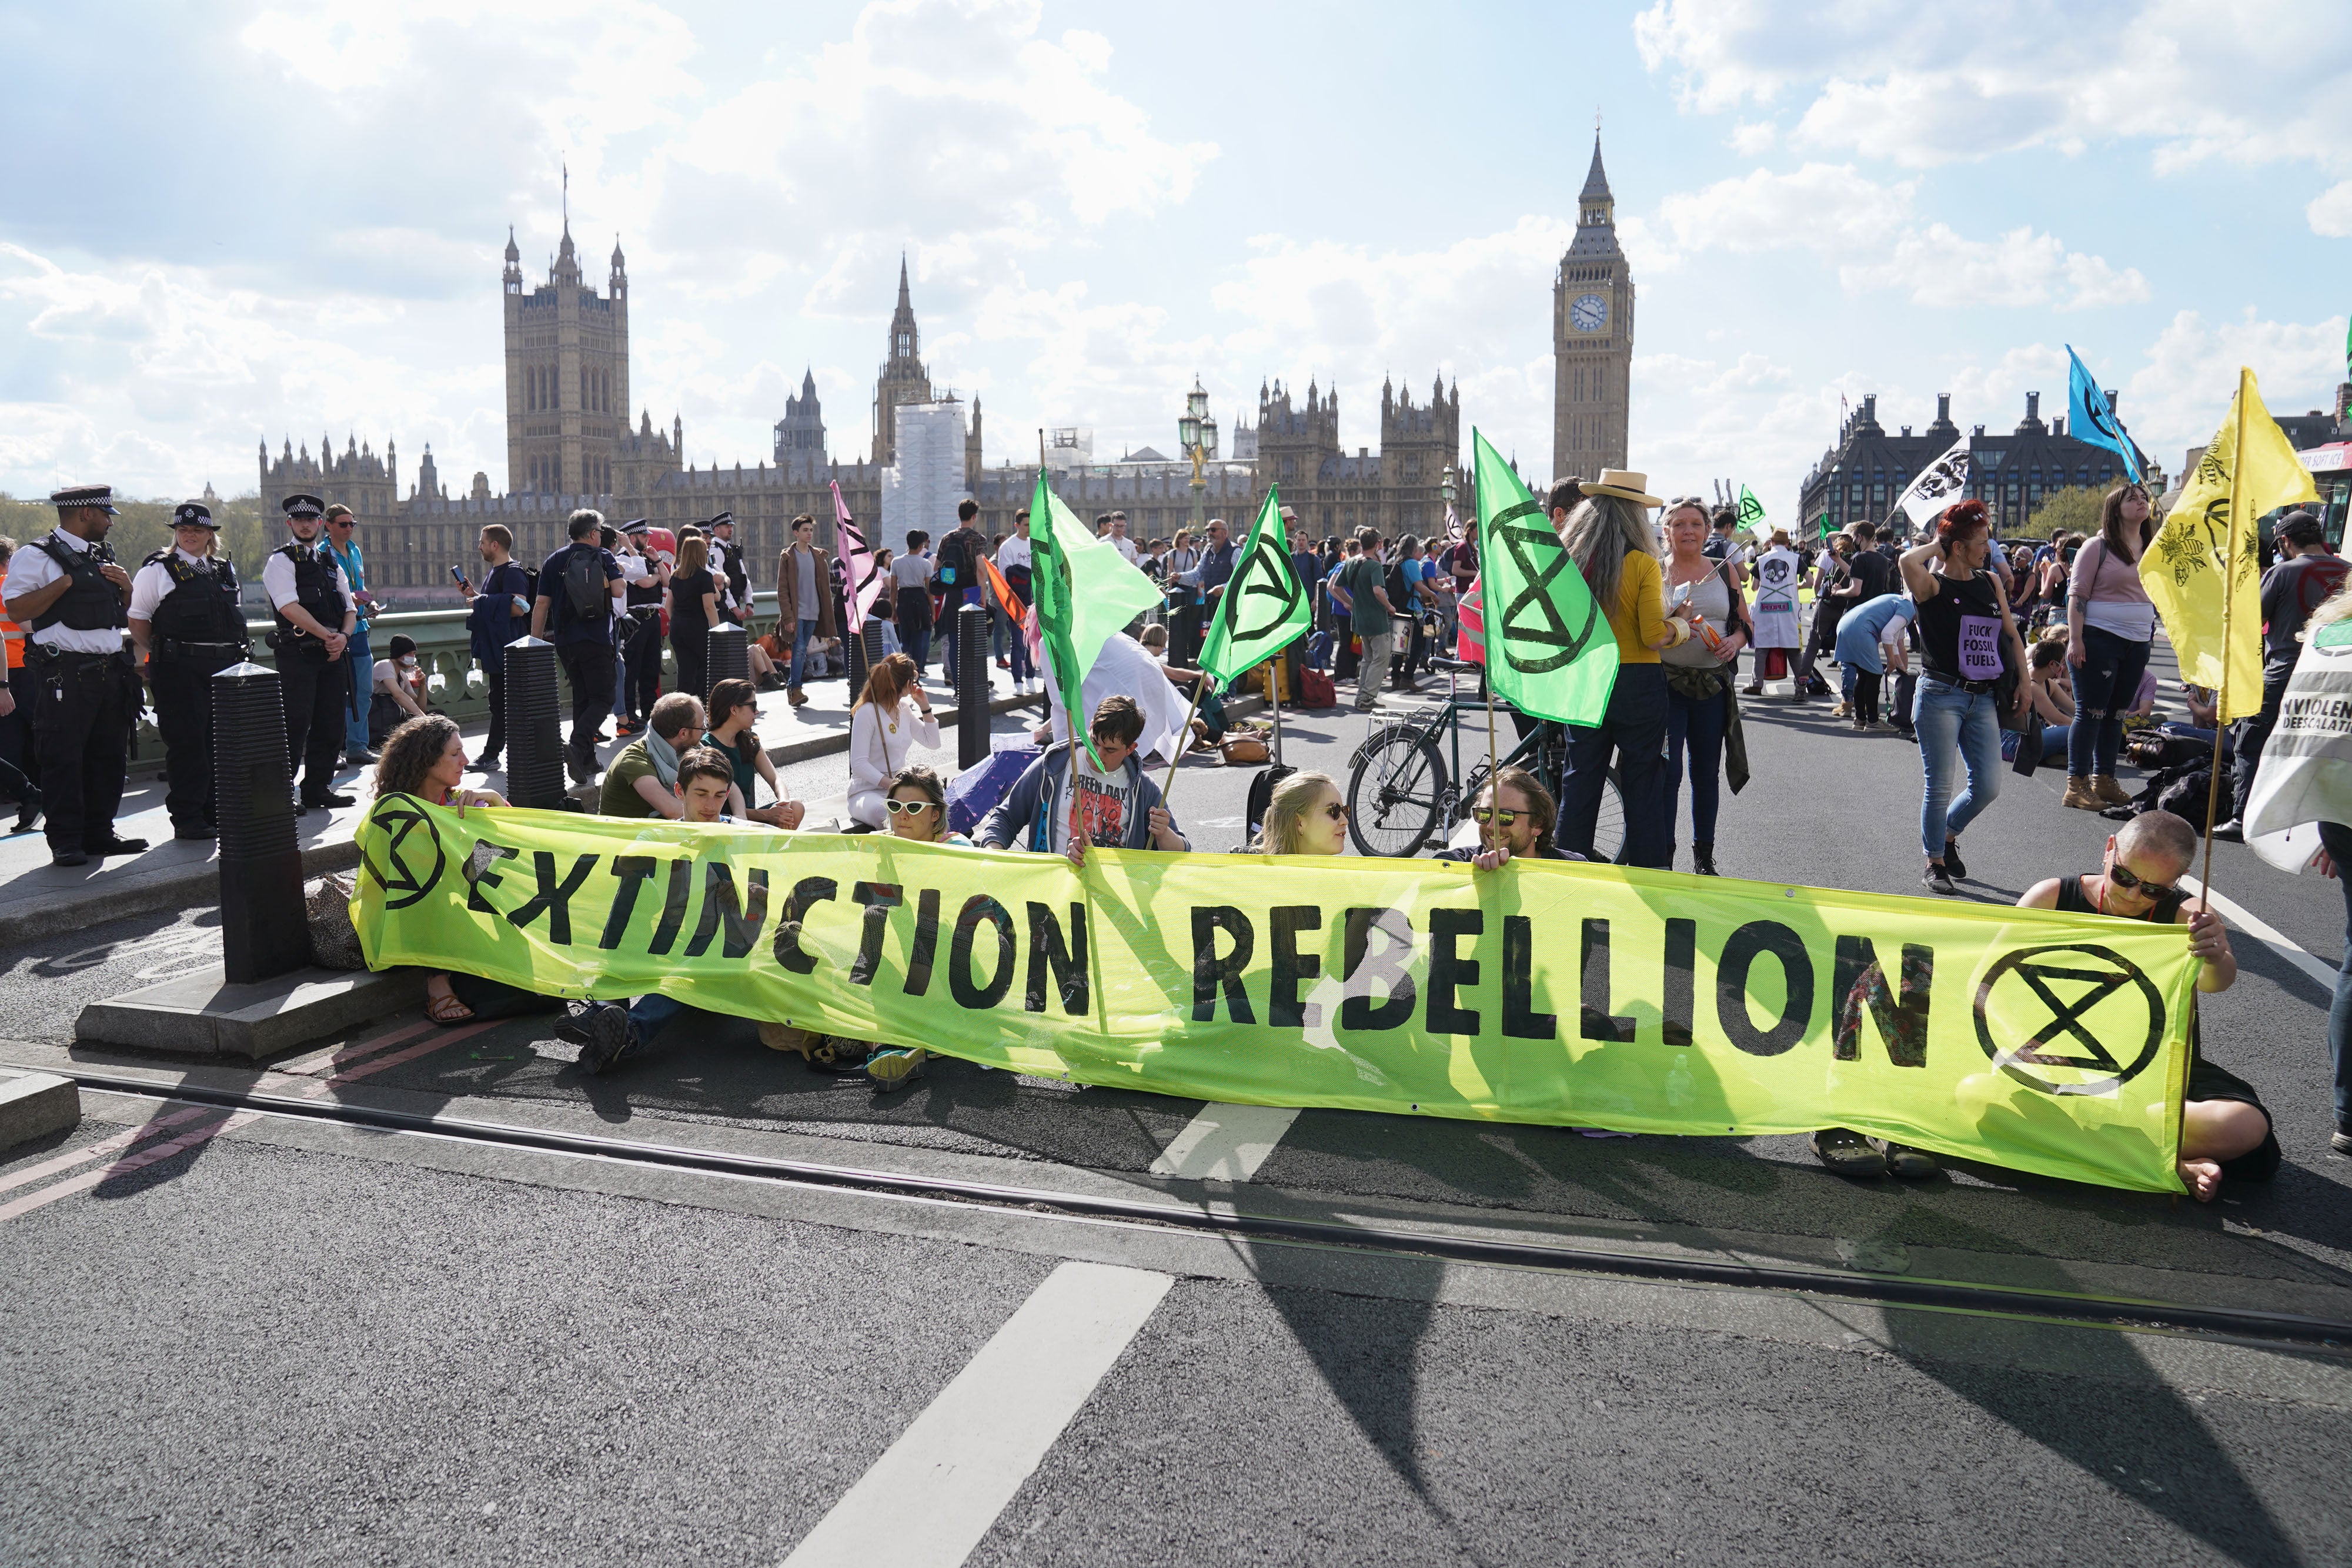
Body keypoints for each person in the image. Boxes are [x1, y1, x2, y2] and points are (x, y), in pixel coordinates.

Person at [2010, 811, 2273, 1201]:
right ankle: (2162, 1162)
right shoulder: (2050, 898)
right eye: (2125, 877)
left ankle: (2087, 1143)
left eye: (2155, 891)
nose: (2133, 896)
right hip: (2055, 1059)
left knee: (2245, 1125)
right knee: (1972, 1095)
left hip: (2159, 1069)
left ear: (2177, 882)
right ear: (2110, 848)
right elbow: (1988, 980)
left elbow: (2217, 982)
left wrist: (2215, 954)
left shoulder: (2188, 917)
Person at [575, 745, 785, 1073]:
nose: (710, 805)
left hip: (727, 954)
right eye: (701, 794)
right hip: (675, 943)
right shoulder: (658, 835)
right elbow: (625, 883)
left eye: (719, 796)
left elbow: (799, 860)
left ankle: (624, 1031)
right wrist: (669, 851)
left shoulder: (744, 836)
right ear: (679, 791)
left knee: (700, 959)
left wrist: (751, 896)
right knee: (634, 888)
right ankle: (607, 1001)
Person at [368, 714, 543, 1028]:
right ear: (426, 761)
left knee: (505, 878)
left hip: (459, 903)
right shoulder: (394, 810)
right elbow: (407, 882)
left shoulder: (458, 802)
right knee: (440, 893)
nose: (465, 760)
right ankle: (438, 985)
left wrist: (496, 804)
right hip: (406, 913)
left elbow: (519, 852)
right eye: (454, 754)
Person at [2, 484, 143, 865]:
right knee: (64, 758)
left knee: (108, 757)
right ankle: (66, 840)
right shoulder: (37, 555)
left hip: (110, 672)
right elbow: (15, 609)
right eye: (104, 515)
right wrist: (65, 582)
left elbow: (117, 613)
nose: (109, 522)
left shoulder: (101, 554)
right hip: (65, 673)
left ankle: (100, 833)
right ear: (85, 513)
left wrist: (127, 588)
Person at [1555, 471, 1687, 869]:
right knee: (1643, 785)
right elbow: (1651, 635)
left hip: (1586, 679)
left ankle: (1568, 869)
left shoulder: (1571, 563)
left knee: (1579, 782)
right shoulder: (1643, 564)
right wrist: (1679, 625)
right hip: (1637, 683)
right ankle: (1649, 876)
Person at [1900, 499, 2028, 894]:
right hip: (1940, 694)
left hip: (1983, 697)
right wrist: (1940, 544)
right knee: (1939, 783)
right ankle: (1934, 860)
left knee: (1988, 784)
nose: (1988, 548)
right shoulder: (1933, 586)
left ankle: (1948, 833)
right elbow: (1907, 562)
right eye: (1980, 542)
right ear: (1958, 547)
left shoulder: (1989, 582)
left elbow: (2011, 634)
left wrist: (2025, 681)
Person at [2216, 509, 2347, 840]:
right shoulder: (2349, 571)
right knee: (2322, 750)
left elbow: (2250, 624)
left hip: (2285, 672)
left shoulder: (2283, 572)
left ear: (2285, 541)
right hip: (2336, 675)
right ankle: (2319, 823)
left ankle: (2243, 818)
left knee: (2251, 742)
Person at [128, 500, 249, 842]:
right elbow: (138, 620)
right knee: (187, 745)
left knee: (219, 743)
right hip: (179, 670)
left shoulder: (223, 570)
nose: (190, 535)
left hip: (223, 669)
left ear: (210, 534)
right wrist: (163, 653)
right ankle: (188, 817)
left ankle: (214, 812)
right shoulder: (158, 570)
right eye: (183, 529)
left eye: (197, 530)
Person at [860, 764, 977, 1089]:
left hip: (947, 960)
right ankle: (888, 1051)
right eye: (895, 807)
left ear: (936, 815)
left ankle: (906, 1039)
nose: (903, 816)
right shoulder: (882, 846)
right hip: (902, 957)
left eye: (914, 808)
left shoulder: (957, 847)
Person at [977, 694, 1188, 862]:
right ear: (1090, 727)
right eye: (1094, 741)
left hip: (1114, 900)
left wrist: (1163, 833)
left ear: (1130, 749)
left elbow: (1182, 851)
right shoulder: (1054, 767)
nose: (1097, 752)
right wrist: (992, 856)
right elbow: (1006, 818)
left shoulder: (1144, 789)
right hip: (1054, 892)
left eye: (1109, 749)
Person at [1659, 497, 1749, 875]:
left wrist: (1735, 643)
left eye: (1695, 524)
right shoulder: (1656, 572)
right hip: (1666, 686)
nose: (1688, 531)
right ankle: (1663, 854)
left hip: (1712, 687)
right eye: (1679, 524)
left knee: (1705, 773)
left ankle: (1703, 858)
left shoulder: (1724, 571)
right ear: (1667, 532)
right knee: (1668, 773)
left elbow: (1745, 625)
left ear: (1707, 530)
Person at [2062, 484, 2159, 813]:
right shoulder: (2097, 547)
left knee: (2116, 714)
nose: (2141, 502)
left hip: (2138, 641)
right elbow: (2077, 596)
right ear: (2115, 509)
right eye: (2132, 499)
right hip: (2099, 638)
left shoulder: (2153, 548)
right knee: (2091, 712)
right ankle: (2076, 784)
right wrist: (2075, 639)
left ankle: (2104, 778)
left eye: (2144, 498)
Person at [262, 492, 360, 815]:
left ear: (320, 523)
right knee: (294, 723)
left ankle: (318, 788)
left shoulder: (332, 562)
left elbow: (349, 608)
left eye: (311, 520)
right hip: (298, 653)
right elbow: (289, 607)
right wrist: (328, 635)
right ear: (290, 523)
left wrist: (343, 637)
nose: (305, 525)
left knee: (331, 724)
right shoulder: (281, 561)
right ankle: (280, 793)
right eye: (299, 520)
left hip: (332, 654)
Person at [529, 507, 625, 786]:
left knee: (583, 697)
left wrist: (535, 642)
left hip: (565, 642)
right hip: (596, 638)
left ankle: (587, 759)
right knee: (604, 698)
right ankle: (577, 745)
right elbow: (619, 591)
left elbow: (541, 605)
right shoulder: (603, 555)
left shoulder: (554, 560)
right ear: (594, 534)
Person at [457, 523, 533, 771]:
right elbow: (495, 605)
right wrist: (474, 595)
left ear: (495, 545)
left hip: (510, 649)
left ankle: (492, 754)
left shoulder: (513, 572)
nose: (479, 547)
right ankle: (515, 753)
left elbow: (518, 608)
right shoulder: (494, 572)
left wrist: (481, 601)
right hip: (496, 648)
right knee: (501, 702)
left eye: (482, 542)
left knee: (503, 703)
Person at [847, 652, 941, 828]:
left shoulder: (903, 709)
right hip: (866, 792)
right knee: (888, 814)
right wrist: (891, 784)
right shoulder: (867, 712)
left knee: (931, 811)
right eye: (913, 680)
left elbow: (933, 743)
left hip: (899, 791)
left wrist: (925, 707)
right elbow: (858, 764)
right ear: (907, 684)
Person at [320, 504, 379, 765]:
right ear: (329, 526)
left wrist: (369, 601)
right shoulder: (322, 553)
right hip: (334, 632)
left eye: (352, 524)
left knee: (363, 691)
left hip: (359, 630)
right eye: (343, 525)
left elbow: (360, 585)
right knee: (333, 693)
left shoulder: (355, 551)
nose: (348, 529)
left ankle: (357, 746)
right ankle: (332, 750)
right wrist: (348, 598)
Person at [1435, 767, 1581, 868]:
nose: (1492, 826)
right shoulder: (1458, 864)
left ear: (1538, 824)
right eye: (1484, 814)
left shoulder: (1574, 870)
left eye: (1505, 816)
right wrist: (1474, 883)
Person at [599, 693, 707, 820]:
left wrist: (736, 814)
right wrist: (722, 820)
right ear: (683, 734)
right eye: (701, 728)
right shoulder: (634, 760)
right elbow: (672, 810)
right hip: (626, 836)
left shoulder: (690, 748)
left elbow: (726, 784)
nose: (705, 731)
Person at [699, 676, 787, 818]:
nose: (757, 711)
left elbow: (775, 779)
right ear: (734, 709)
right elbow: (723, 810)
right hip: (723, 818)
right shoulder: (707, 746)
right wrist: (768, 815)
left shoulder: (749, 741)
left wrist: (784, 804)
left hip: (750, 816)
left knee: (795, 808)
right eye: (753, 706)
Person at [776, 513, 838, 706]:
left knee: (802, 650)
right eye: (805, 530)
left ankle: (793, 687)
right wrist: (788, 617)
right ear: (796, 533)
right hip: (797, 613)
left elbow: (825, 589)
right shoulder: (788, 557)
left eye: (811, 530)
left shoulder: (819, 556)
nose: (809, 533)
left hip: (815, 612)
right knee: (800, 649)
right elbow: (782, 589)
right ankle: (795, 689)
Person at [1331, 527, 1395, 711]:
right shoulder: (1374, 565)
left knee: (1367, 658)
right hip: (1376, 618)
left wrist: (1351, 603)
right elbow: (1378, 591)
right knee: (1381, 657)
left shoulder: (1350, 562)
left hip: (1359, 619)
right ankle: (1367, 697)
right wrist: (1389, 607)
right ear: (1377, 545)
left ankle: (1361, 696)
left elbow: (1336, 587)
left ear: (1360, 544)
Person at [1832, 591, 1916, 732]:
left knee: (1864, 675)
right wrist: (1890, 662)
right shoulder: (1909, 608)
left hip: (1846, 625)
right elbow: (1887, 634)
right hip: (1861, 630)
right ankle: (1873, 721)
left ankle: (1860, 719)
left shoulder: (1899, 601)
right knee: (1874, 674)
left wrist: (1901, 667)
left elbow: (1894, 643)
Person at [613, 519, 667, 733]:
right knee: (632, 668)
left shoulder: (647, 557)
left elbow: (667, 580)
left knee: (651, 667)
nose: (647, 540)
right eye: (644, 537)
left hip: (653, 618)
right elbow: (644, 581)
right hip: (635, 620)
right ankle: (628, 714)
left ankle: (649, 710)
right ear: (632, 538)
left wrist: (658, 561)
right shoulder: (623, 560)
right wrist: (653, 575)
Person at [0, 537, 39, 834]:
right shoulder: (16, 587)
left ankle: (28, 796)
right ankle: (39, 795)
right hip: (26, 670)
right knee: (40, 734)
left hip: (6, 677)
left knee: (10, 742)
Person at [1744, 527, 1804, 698]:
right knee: (1793, 649)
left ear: (1771, 543)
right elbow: (1810, 580)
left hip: (1766, 610)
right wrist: (1796, 586)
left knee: (1762, 648)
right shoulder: (1795, 559)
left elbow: (1755, 587)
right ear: (1787, 543)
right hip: (1789, 610)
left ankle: (1756, 684)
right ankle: (1801, 687)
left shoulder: (1761, 560)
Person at [934, 500, 988, 688]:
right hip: (971, 592)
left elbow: (937, 569)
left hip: (952, 594)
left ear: (959, 515)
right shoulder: (978, 539)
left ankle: (958, 684)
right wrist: (983, 597)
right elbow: (981, 571)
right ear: (974, 517)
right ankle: (973, 681)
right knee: (972, 640)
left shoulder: (946, 538)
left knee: (954, 640)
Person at [666, 531, 721, 706]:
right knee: (703, 670)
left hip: (678, 627)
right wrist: (717, 630)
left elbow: (668, 605)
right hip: (697, 628)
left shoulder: (676, 576)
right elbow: (709, 606)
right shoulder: (703, 576)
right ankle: (700, 709)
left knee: (685, 671)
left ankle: (681, 711)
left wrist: (677, 621)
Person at [1248, 770, 1349, 855]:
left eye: (1344, 811)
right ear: (1299, 822)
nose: (1345, 821)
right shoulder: (1258, 876)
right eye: (1334, 811)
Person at [997, 511, 1036, 692]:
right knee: (1018, 642)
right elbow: (1005, 576)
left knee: (1033, 640)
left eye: (1031, 524)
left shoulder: (1034, 544)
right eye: (1026, 525)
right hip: (1017, 600)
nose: (1029, 528)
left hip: (1034, 599)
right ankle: (1018, 681)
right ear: (1017, 525)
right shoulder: (1008, 547)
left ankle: (1030, 677)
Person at [368, 633, 427, 744]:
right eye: (409, 653)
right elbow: (398, 695)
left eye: (414, 654)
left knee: (438, 714)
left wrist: (423, 685)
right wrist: (424, 719)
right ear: (399, 653)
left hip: (389, 718)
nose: (412, 658)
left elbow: (419, 707)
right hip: (376, 717)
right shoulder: (385, 665)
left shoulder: (403, 676)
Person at [892, 529, 936, 675]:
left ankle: (905, 670)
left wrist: (893, 609)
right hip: (920, 600)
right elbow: (930, 591)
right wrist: (933, 613)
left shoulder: (896, 562)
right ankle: (917, 671)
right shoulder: (926, 564)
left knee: (905, 637)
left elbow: (893, 589)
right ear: (921, 546)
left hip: (903, 599)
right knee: (919, 638)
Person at [706, 511, 748, 623]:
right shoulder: (716, 549)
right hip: (726, 608)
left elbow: (743, 575)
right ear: (717, 530)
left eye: (731, 527)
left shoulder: (732, 549)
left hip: (735, 605)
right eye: (727, 527)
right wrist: (734, 608)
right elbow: (721, 583)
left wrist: (749, 601)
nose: (730, 530)